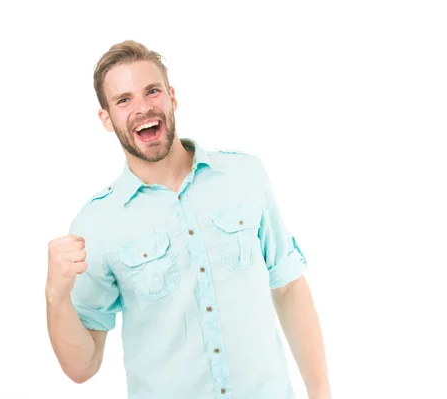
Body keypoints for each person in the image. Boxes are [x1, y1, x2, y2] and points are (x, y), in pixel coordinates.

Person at [45, 40, 331, 399]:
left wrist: (321, 393)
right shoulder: (96, 224)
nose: (143, 107)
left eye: (152, 91)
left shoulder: (245, 176)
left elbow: (288, 286)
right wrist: (56, 296)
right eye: (124, 100)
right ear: (106, 118)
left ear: (172, 96)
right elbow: (82, 367)